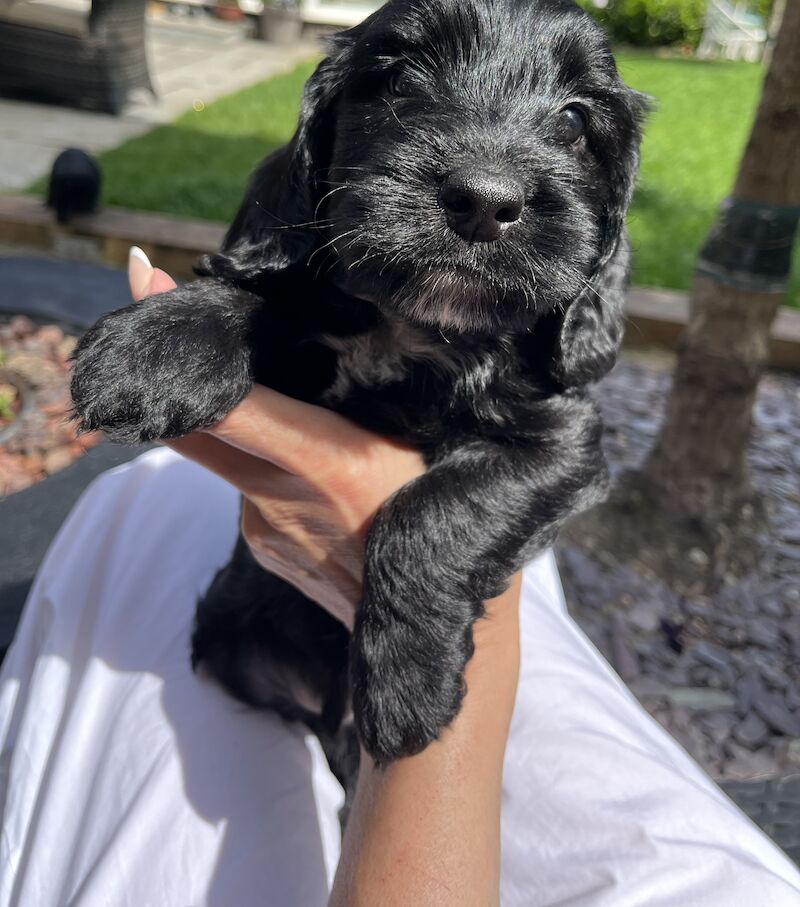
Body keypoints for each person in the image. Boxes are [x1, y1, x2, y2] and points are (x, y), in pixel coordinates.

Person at [0, 249, 798, 907]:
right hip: (268, 640)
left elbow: (564, 448)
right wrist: (222, 317)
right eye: (401, 88)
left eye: (571, 125)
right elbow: (281, 302)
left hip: (294, 647)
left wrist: (412, 592)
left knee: (145, 499)